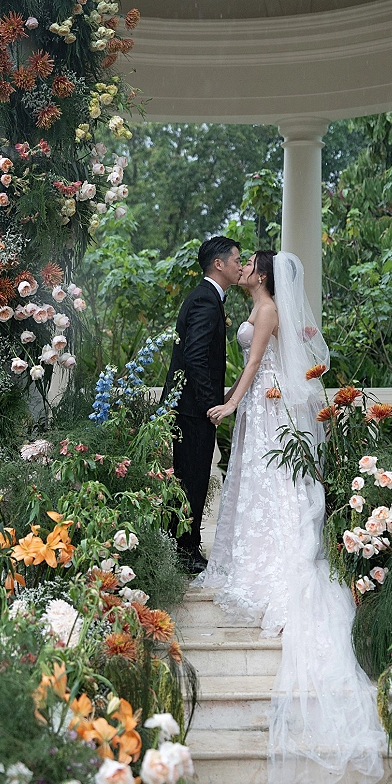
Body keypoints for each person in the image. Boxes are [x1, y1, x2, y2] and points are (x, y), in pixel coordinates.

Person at [195, 250, 385, 784]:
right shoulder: (263, 307)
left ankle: (270, 564)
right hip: (263, 408)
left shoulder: (270, 310)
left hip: (264, 405)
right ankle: (251, 553)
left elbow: (254, 363)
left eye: (253, 265)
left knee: (269, 487)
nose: (246, 268)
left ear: (266, 276)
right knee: (254, 488)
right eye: (245, 264)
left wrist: (232, 403)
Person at [162, 236, 242, 574]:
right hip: (194, 408)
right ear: (219, 264)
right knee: (191, 479)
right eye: (237, 259)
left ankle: (181, 546)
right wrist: (214, 405)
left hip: (192, 406)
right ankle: (185, 552)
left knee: (189, 478)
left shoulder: (208, 298)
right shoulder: (206, 301)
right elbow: (195, 357)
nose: (241, 265)